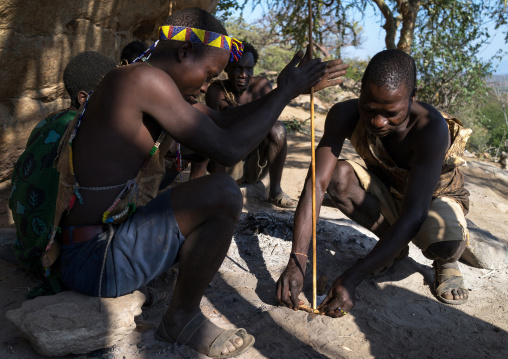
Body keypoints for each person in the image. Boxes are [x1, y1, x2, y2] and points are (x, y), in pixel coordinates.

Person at [44, 8, 347, 358]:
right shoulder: (143, 81)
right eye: (208, 74)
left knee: (201, 193)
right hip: (94, 262)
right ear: (184, 52)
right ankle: (182, 318)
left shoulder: (141, 80)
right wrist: (285, 93)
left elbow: (221, 120)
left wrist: (284, 91)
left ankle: (163, 295)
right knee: (222, 192)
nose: (206, 85)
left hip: (88, 256)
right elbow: (229, 149)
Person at [276, 49, 472, 319]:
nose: (378, 122)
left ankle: (446, 263)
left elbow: (415, 214)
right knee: (336, 175)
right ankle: (392, 250)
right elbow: (316, 184)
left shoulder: (431, 129)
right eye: (369, 109)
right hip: (391, 192)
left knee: (444, 243)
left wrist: (351, 278)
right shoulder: (344, 113)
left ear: (412, 98)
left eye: (391, 113)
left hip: (433, 199)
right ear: (361, 94)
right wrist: (298, 260)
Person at [8, 51, 117, 298]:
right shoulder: (85, 134)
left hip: (27, 245)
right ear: (83, 98)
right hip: (53, 258)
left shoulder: (48, 122)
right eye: (111, 94)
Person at [204, 41, 297, 207]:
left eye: (249, 69)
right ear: (227, 68)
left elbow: (269, 119)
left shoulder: (262, 86)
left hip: (256, 163)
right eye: (238, 68)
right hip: (227, 162)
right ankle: (217, 189)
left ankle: (275, 190)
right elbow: (213, 133)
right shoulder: (216, 91)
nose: (244, 75)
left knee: (278, 128)